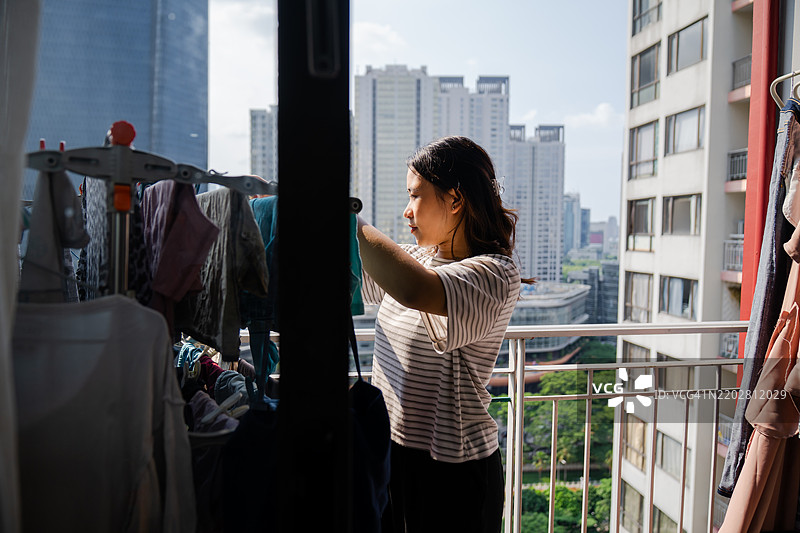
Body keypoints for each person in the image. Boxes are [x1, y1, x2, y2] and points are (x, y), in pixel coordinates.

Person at [356, 136, 530, 533]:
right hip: (389, 454)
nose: (406, 211)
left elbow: (418, 289)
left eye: (416, 196)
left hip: (453, 470)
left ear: (455, 200)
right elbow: (357, 278)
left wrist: (349, 216)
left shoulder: (495, 273)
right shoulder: (416, 259)